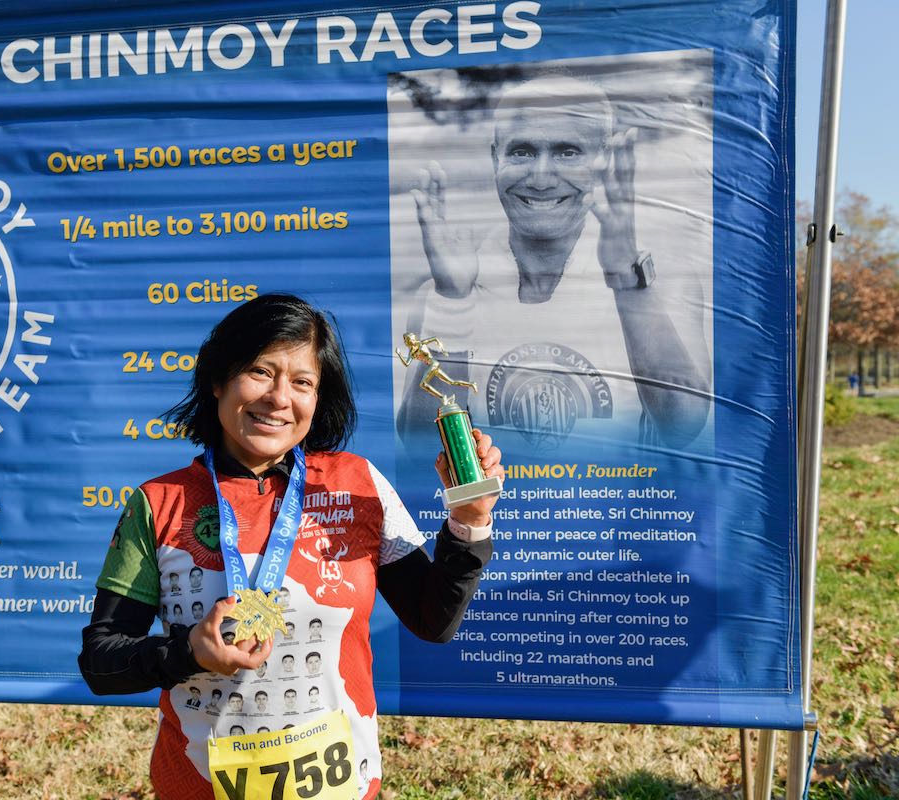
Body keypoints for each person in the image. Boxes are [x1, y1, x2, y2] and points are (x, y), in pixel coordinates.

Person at [79, 294, 503, 800]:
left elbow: (434, 620)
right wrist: (189, 651)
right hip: (196, 787)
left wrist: (468, 521)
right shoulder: (160, 503)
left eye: (302, 382)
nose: (280, 398)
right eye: (260, 372)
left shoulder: (356, 484)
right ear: (218, 381)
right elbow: (102, 663)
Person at [399, 73, 710, 453]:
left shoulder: (657, 279)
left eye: (567, 152)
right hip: (494, 514)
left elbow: (683, 426)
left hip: (614, 513)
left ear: (604, 159)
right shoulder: (445, 289)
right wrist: (453, 301)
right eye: (522, 151)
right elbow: (420, 447)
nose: (541, 177)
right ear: (495, 156)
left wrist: (625, 283)